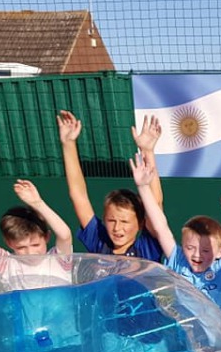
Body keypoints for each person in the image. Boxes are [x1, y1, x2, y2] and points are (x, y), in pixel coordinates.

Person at [131, 154, 221, 334]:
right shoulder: (178, 260)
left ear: (220, 252)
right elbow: (161, 227)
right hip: (190, 343)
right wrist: (143, 187)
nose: (197, 254)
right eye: (190, 248)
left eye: (206, 250)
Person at [57, 110, 164, 260]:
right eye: (111, 220)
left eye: (125, 221)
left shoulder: (147, 248)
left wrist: (147, 151)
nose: (117, 228)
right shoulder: (99, 241)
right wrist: (68, 144)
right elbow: (78, 196)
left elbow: (155, 206)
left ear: (141, 223)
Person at [0, 179, 73, 290]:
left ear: (46, 237)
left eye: (35, 245)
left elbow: (65, 236)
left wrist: (38, 203)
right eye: (21, 247)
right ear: (9, 243)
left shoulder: (58, 260)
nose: (30, 253)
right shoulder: (6, 264)